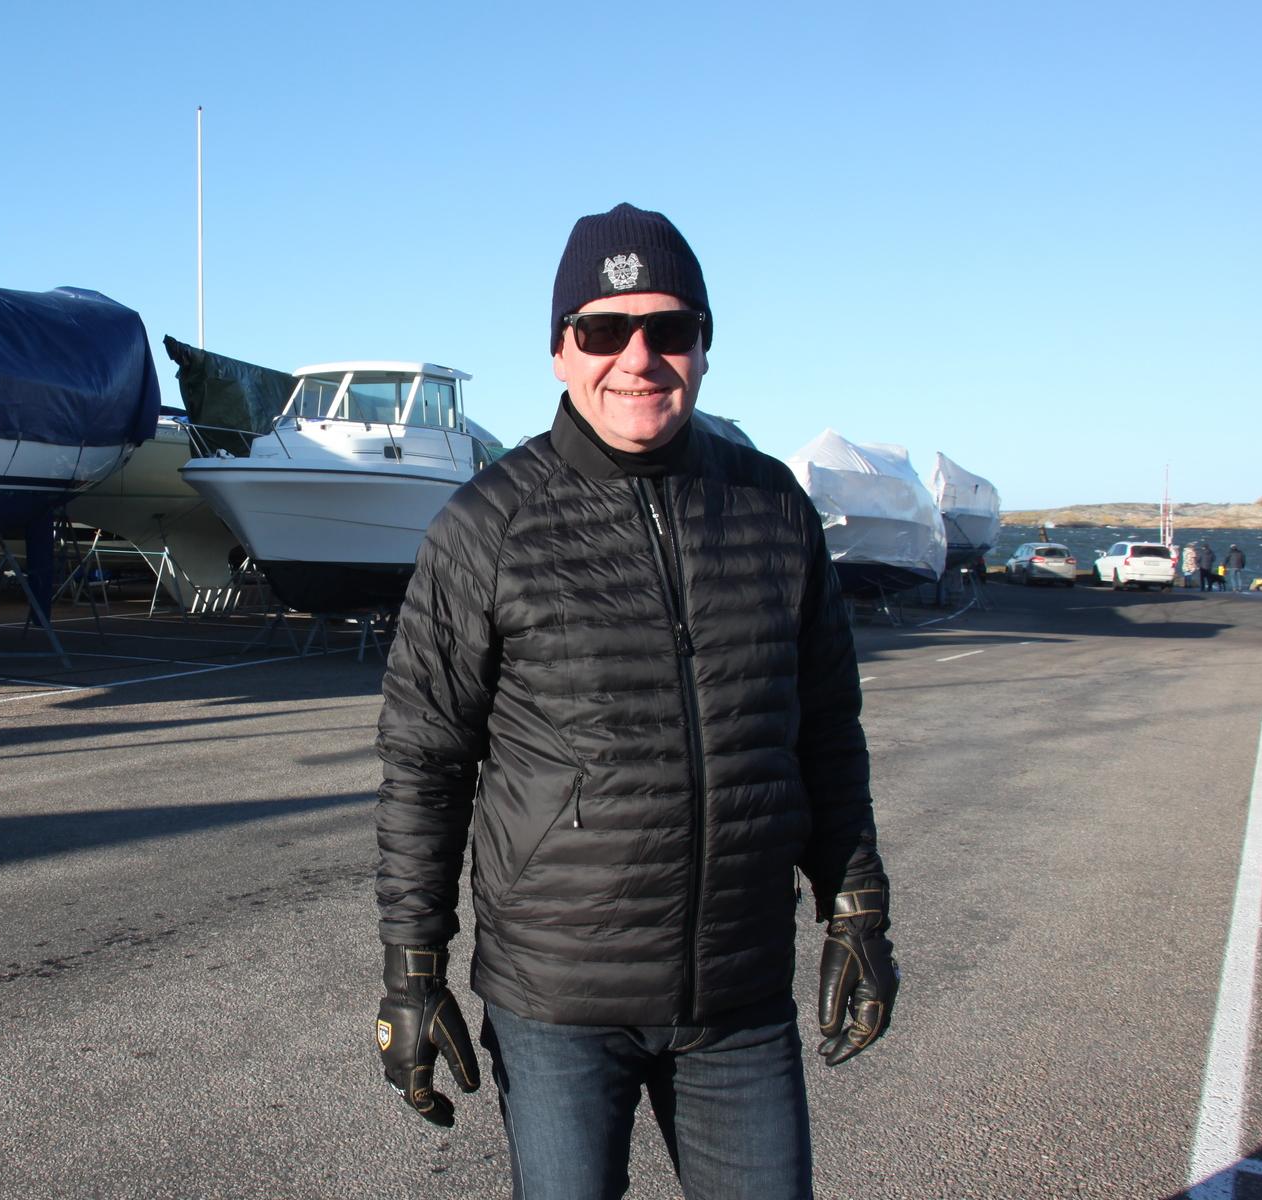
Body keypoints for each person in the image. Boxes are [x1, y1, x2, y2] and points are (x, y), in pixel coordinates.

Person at [372, 204, 898, 1200]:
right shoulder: (487, 528)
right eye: (605, 330)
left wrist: (857, 905)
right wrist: (412, 965)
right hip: (558, 1003)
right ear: (561, 351)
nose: (639, 357)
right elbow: (424, 762)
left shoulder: (773, 511)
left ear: (705, 346)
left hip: (740, 998)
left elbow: (828, 734)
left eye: (670, 329)